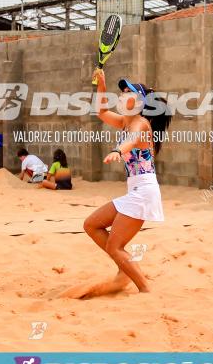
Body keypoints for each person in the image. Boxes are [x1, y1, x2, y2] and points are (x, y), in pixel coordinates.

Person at [60, 70, 172, 299]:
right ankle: (124, 267)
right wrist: (101, 85)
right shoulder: (124, 122)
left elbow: (131, 141)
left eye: (127, 93)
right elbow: (100, 111)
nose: (121, 96)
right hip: (136, 190)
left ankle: (145, 290)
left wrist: (116, 151)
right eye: (120, 92)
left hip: (144, 191)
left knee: (114, 246)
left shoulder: (140, 123)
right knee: (91, 225)